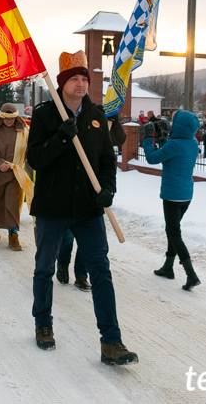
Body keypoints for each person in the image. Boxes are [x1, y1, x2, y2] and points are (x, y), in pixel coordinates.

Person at [28, 50, 138, 366]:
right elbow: (35, 160)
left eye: (84, 79)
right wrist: (61, 139)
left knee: (100, 271)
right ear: (62, 84)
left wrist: (108, 189)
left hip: (89, 209)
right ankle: (43, 323)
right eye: (74, 79)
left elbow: (106, 161)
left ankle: (111, 342)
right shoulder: (46, 115)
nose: (80, 84)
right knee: (45, 268)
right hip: (53, 207)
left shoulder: (96, 116)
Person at [142, 110, 201, 291]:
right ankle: (168, 267)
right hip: (186, 194)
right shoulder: (193, 143)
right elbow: (171, 152)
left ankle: (191, 274)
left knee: (174, 232)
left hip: (172, 195)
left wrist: (147, 139)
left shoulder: (174, 145)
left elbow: (152, 158)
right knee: (173, 230)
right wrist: (163, 140)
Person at [0, 103, 33, 252]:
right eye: (6, 119)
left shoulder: (23, 131)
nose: (9, 122)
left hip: (14, 173)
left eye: (12, 119)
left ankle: (13, 234)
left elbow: (29, 150)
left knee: (12, 203)